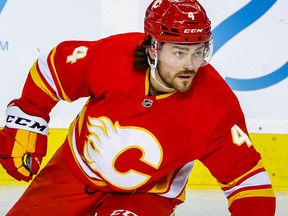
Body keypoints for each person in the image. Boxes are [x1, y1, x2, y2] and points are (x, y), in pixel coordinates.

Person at [0, 0, 276, 215]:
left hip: (148, 196)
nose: (191, 65)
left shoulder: (216, 106)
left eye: (199, 51)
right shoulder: (113, 58)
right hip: (74, 172)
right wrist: (27, 116)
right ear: (153, 48)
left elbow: (248, 182)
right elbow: (54, 68)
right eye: (179, 52)